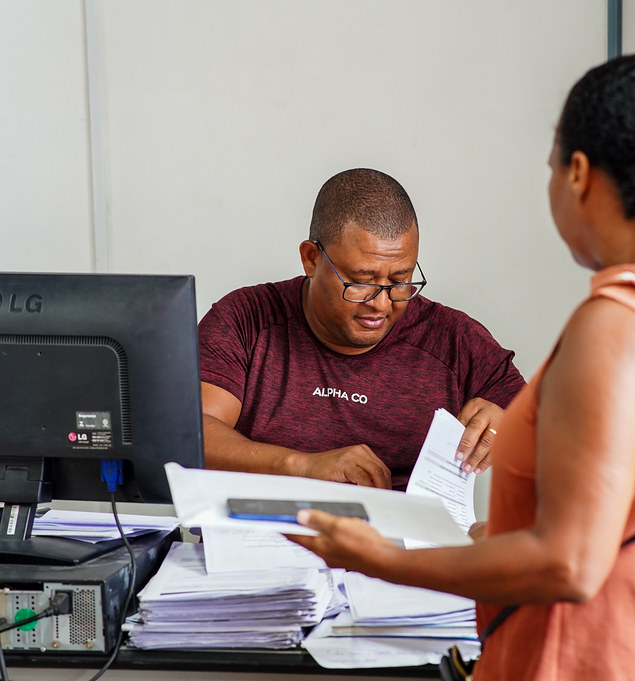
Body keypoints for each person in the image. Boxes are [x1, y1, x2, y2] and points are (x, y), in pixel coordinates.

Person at [289, 55, 635, 681]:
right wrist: (490, 534)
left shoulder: (619, 327)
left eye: (550, 166)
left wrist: (381, 559)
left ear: (577, 172)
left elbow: (568, 563)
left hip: (601, 670)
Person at [199, 168, 525, 491]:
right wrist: (299, 465)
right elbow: (191, 433)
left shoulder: (453, 342)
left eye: (400, 282)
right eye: (360, 282)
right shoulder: (246, 320)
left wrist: (508, 425)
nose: (381, 305)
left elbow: (553, 429)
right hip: (253, 534)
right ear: (311, 258)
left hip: (402, 541)